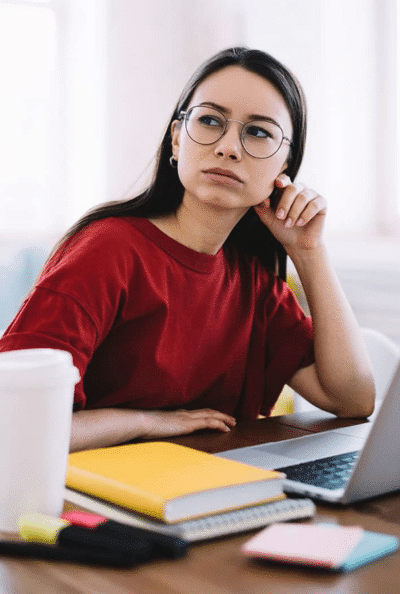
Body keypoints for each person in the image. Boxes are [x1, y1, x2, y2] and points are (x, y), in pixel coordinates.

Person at [0, 47, 375, 452]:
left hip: (205, 490)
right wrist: (143, 423)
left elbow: (352, 399)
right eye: (210, 121)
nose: (229, 147)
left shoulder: (253, 283)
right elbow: (14, 421)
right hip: (86, 496)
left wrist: (309, 252)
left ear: (284, 166)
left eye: (258, 132)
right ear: (178, 139)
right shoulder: (107, 250)